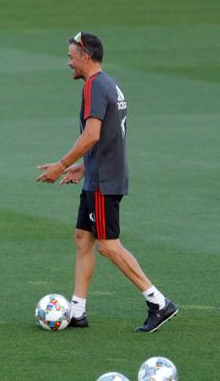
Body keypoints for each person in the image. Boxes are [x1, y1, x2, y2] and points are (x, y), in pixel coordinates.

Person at [36, 32, 177, 332]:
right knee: (82, 237)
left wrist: (60, 166)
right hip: (98, 176)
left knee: (108, 246)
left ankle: (158, 302)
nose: (68, 62)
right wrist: (83, 168)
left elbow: (93, 135)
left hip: (105, 182)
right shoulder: (109, 84)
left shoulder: (94, 86)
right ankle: (77, 312)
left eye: (72, 57)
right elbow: (112, 135)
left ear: (86, 56)